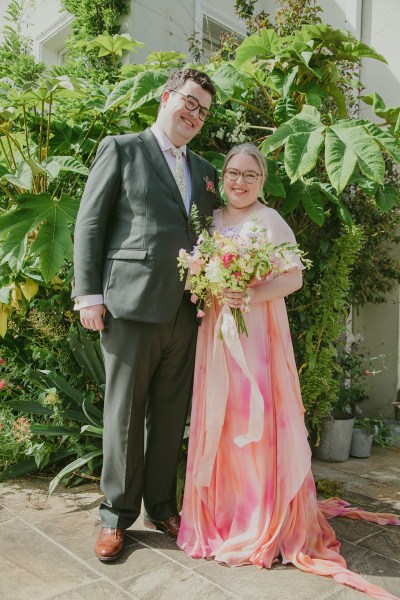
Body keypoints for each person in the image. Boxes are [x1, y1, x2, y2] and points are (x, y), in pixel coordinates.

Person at [177, 143, 400, 600]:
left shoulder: (270, 220)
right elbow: (193, 275)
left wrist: (248, 294)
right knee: (221, 421)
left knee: (255, 423)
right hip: (217, 339)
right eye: (233, 174)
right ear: (224, 177)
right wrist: (206, 280)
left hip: (257, 335)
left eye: (250, 176)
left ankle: (261, 517)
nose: (240, 182)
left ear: (262, 180)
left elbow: (293, 277)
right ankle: (224, 515)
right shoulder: (213, 218)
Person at [72, 68, 219, 562]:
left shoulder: (204, 170)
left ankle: (161, 505)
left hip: (185, 309)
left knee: (170, 414)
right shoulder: (122, 148)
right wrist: (88, 294)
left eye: (203, 110)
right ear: (166, 97)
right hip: (129, 307)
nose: (194, 115)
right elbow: (90, 224)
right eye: (190, 103)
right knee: (125, 414)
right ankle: (115, 516)